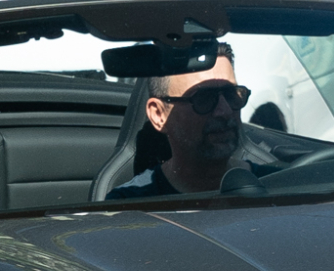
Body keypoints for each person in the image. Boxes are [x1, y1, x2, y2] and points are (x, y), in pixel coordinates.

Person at [105, 44, 264, 199]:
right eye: (203, 98)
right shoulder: (128, 208)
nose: (225, 111)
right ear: (159, 115)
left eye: (231, 94)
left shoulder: (280, 187)